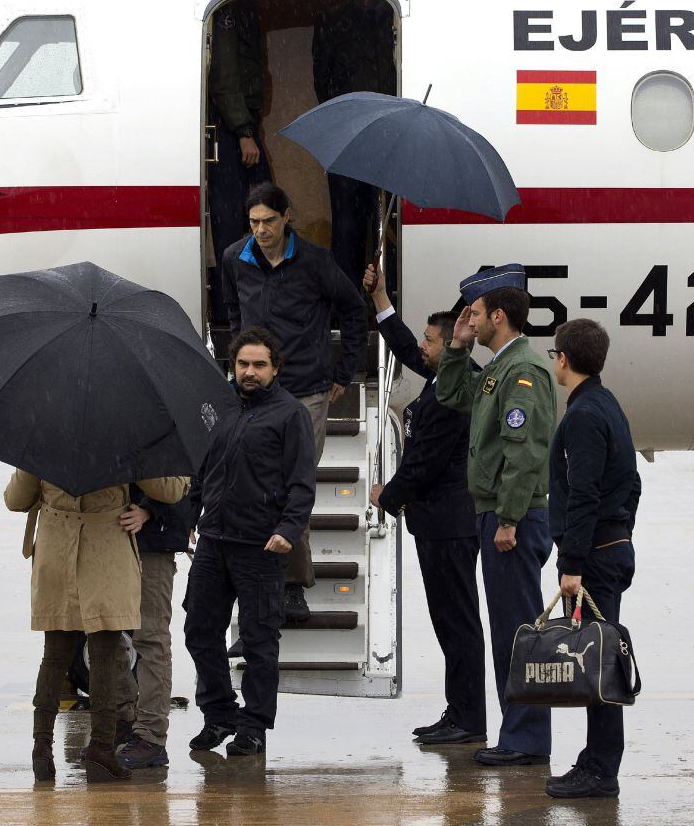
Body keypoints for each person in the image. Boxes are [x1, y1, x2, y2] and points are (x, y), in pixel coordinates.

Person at [222, 182, 366, 619]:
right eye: (253, 222)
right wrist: (238, 365)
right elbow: (232, 313)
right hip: (254, 393)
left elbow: (354, 310)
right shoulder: (234, 259)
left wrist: (345, 372)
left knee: (290, 484)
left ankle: (288, 586)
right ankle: (277, 587)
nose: (260, 230)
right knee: (258, 486)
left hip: (306, 391)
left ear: (287, 218)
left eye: (268, 221)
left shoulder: (316, 263)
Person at [435, 264, 556, 767]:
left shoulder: (522, 372)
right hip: (497, 516)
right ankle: (517, 732)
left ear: (499, 316)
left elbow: (523, 451)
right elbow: (452, 394)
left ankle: (526, 739)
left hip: (513, 519)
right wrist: (457, 347)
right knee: (508, 626)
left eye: (476, 314)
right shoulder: (499, 370)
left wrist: (507, 519)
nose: (470, 320)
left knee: (517, 629)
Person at [362, 268, 486, 745]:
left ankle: (468, 718)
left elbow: (425, 463)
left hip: (449, 524)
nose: (424, 348)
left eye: (431, 341)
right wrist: (381, 301)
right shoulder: (446, 379)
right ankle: (461, 710)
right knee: (451, 621)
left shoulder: (452, 395)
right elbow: (405, 350)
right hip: (441, 524)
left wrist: (386, 497)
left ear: (452, 343)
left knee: (456, 622)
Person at [4, 471, 189, 783]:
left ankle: (41, 747)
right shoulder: (117, 436)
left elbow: (15, 500)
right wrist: (178, 476)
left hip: (56, 549)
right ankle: (101, 749)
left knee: (54, 655)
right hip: (104, 548)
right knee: (105, 653)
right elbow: (168, 491)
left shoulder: (42, 436)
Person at [184, 327, 316, 756]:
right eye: (243, 364)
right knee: (199, 630)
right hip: (214, 541)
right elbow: (204, 474)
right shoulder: (222, 411)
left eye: (259, 365)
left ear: (274, 368)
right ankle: (219, 713)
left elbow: (302, 482)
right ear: (232, 365)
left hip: (261, 546)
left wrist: (288, 531)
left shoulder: (290, 414)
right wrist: (190, 517)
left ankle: (255, 725)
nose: (250, 372)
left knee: (260, 641)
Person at [545, 319, 641, 799]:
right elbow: (632, 479)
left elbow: (582, 493)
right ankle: (596, 758)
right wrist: (622, 530)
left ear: (564, 359)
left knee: (598, 665)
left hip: (594, 559)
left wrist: (573, 563)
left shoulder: (583, 415)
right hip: (612, 547)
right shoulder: (608, 404)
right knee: (598, 661)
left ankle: (602, 767)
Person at [312, 0, 396, 287]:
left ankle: (381, 299)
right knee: (349, 225)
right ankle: (348, 303)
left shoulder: (385, 16)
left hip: (385, 132)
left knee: (386, 220)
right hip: (349, 134)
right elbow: (322, 84)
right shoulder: (334, 20)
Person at [115, 485, 197, 770]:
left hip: (152, 543)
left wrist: (150, 510)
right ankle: (123, 724)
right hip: (112, 542)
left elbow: (185, 484)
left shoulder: (170, 442)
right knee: (110, 637)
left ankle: (151, 736)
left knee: (150, 639)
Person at [208, 0, 272, 323]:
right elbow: (224, 76)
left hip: (239, 123)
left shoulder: (241, 6)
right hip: (233, 129)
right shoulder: (229, 9)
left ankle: (240, 316)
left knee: (249, 224)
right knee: (236, 230)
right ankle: (230, 322)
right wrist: (244, 130)